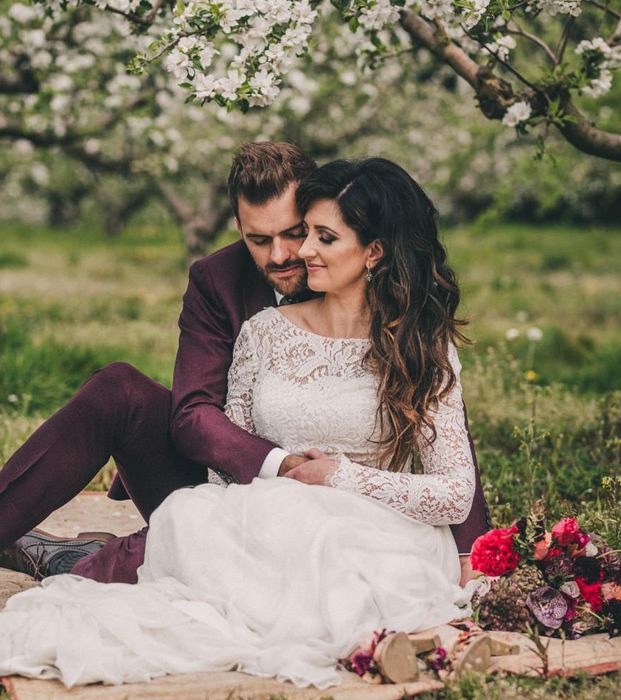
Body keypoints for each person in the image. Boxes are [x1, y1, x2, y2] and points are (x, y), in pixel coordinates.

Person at [0, 158, 490, 689]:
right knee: (121, 403)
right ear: (238, 228)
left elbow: (448, 453)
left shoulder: (412, 336)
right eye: (260, 240)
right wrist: (272, 482)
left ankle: (70, 554)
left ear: (371, 248)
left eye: (303, 234)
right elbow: (193, 419)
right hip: (240, 494)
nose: (288, 254)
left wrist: (474, 552)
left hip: (362, 525)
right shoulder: (232, 294)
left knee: (122, 582)